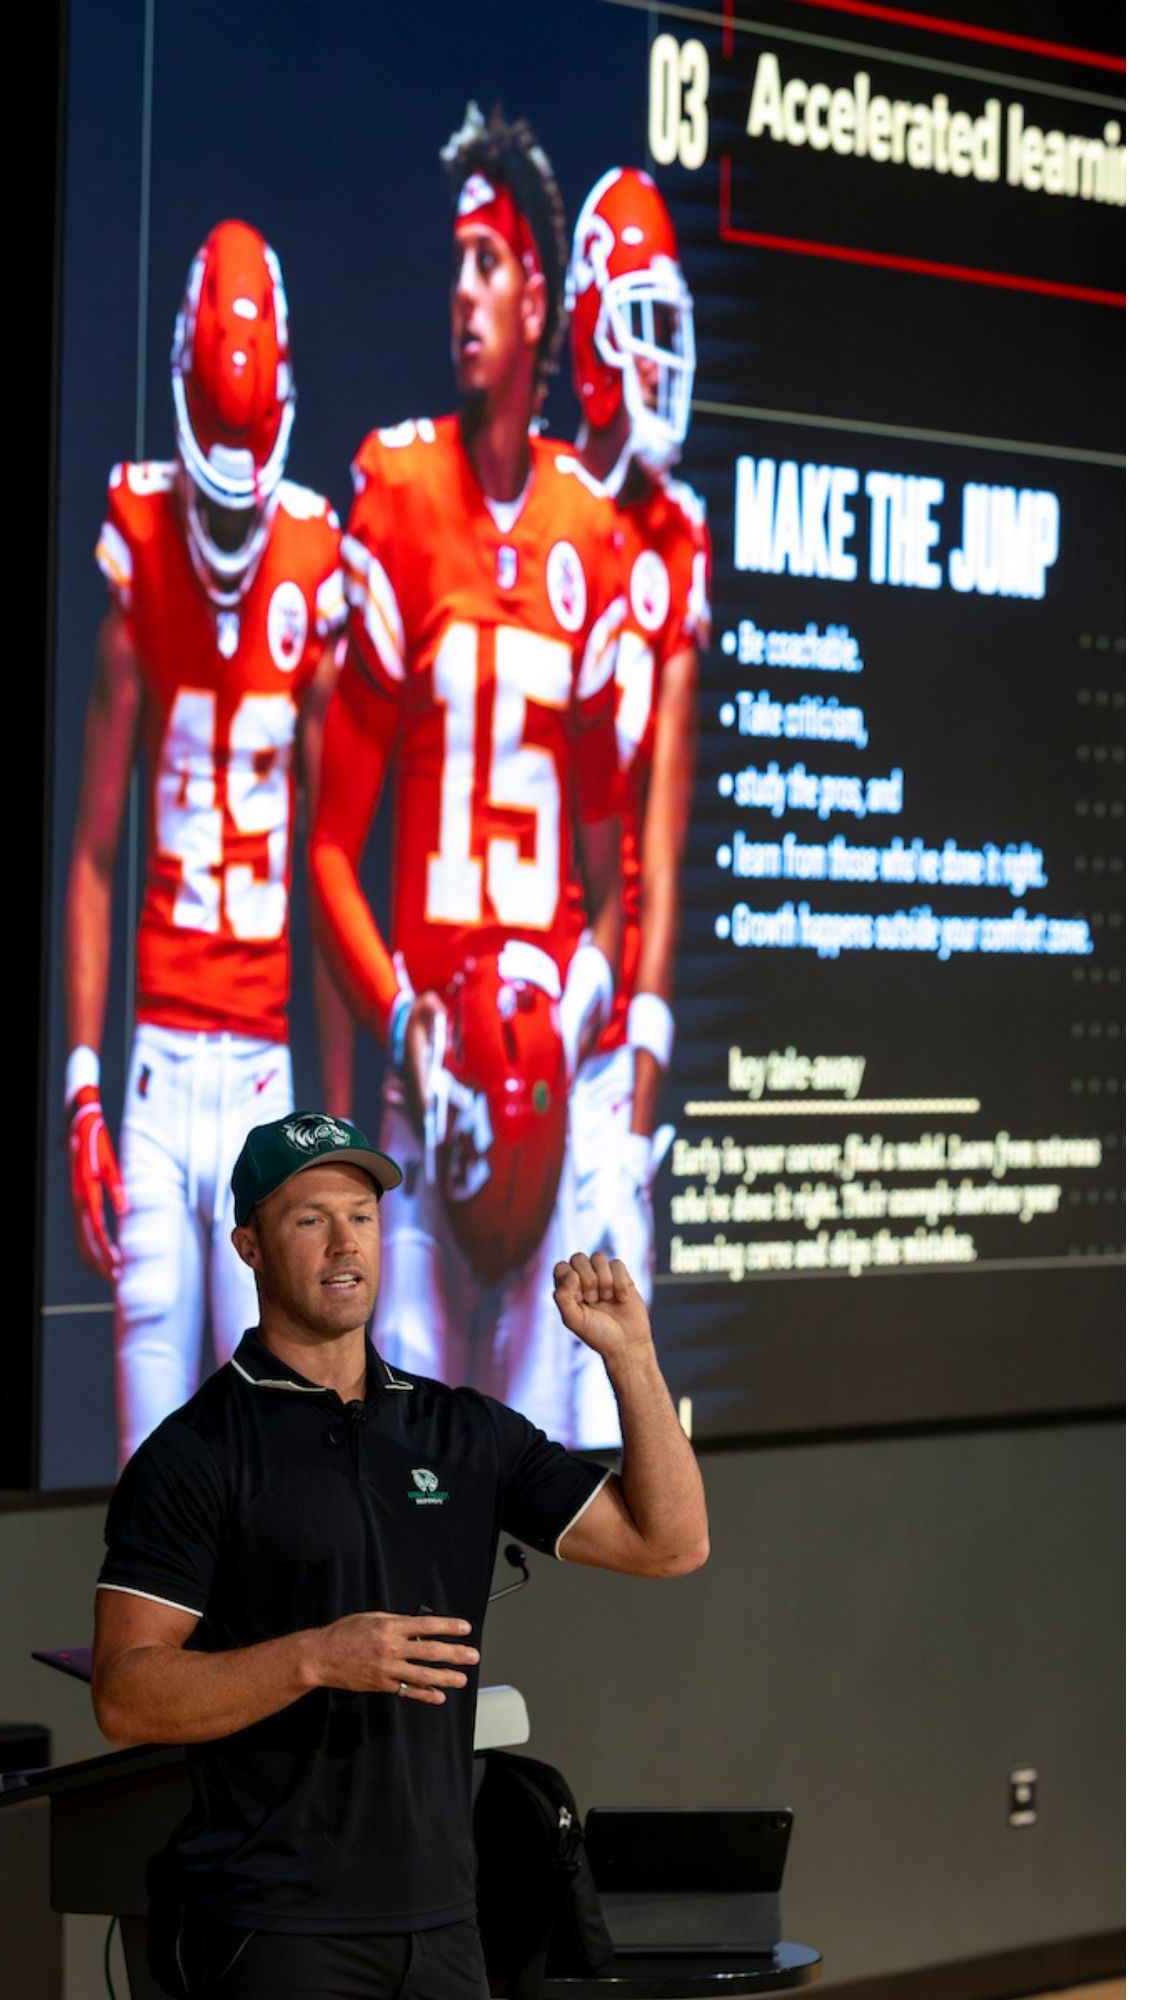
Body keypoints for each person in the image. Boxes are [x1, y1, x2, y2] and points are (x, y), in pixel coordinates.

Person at [92, 1112, 708, 1996]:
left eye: (364, 1215)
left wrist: (635, 1364)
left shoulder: (462, 1429)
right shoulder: (195, 1454)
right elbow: (124, 1693)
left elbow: (671, 1543)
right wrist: (317, 1658)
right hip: (272, 1924)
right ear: (250, 1246)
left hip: (443, 1921)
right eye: (311, 1219)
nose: (346, 1241)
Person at [310, 104, 644, 1440]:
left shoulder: (593, 535)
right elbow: (332, 848)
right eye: (455, 264)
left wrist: (563, 1028)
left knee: (538, 1480)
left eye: (492, 262)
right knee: (387, 1458)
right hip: (427, 1074)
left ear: (544, 296)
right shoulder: (396, 495)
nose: (465, 292)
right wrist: (409, 1032)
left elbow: (615, 890)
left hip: (545, 1094)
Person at [70, 219, 351, 1461]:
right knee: (152, 1480)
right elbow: (89, 850)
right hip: (157, 1065)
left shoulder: (316, 560)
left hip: (260, 1079)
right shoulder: (139, 546)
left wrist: (341, 1122)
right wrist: (80, 1076)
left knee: (277, 1474)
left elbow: (334, 854)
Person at [554, 165, 707, 1303]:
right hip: (502, 998)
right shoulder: (531, 505)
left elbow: (662, 828)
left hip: (606, 1036)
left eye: (671, 325)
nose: (659, 356)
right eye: (638, 323)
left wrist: (643, 1061)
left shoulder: (678, 533)